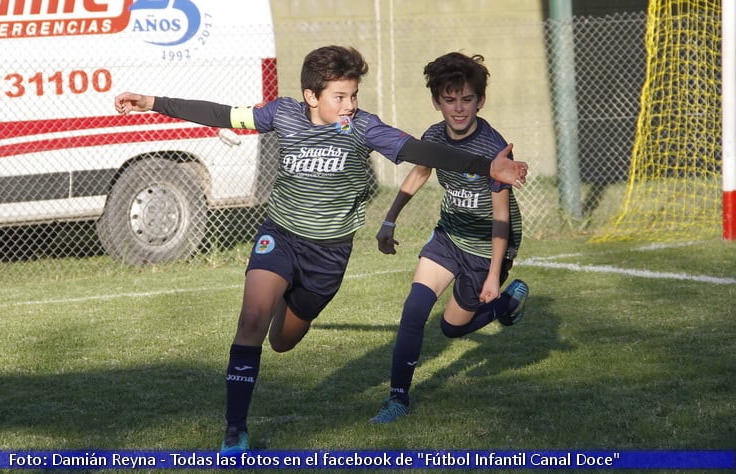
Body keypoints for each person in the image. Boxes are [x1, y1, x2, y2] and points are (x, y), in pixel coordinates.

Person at [113, 45, 528, 453]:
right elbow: (223, 114)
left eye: (353, 96)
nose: (349, 105)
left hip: (328, 255)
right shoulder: (282, 114)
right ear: (312, 96)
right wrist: (152, 102)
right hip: (280, 235)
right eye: (340, 97)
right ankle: (234, 431)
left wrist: (485, 166)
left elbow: (419, 152)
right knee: (253, 318)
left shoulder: (365, 127)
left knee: (282, 341)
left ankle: (288, 297)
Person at [369, 52, 529, 424]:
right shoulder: (435, 135)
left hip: (487, 246)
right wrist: (389, 220)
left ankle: (505, 303)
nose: (459, 108)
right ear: (437, 101)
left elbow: (501, 218)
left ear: (480, 101)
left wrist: (493, 275)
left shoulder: (494, 148)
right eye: (450, 99)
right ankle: (398, 399)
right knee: (413, 311)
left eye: (467, 99)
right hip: (450, 234)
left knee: (451, 328)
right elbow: (420, 172)